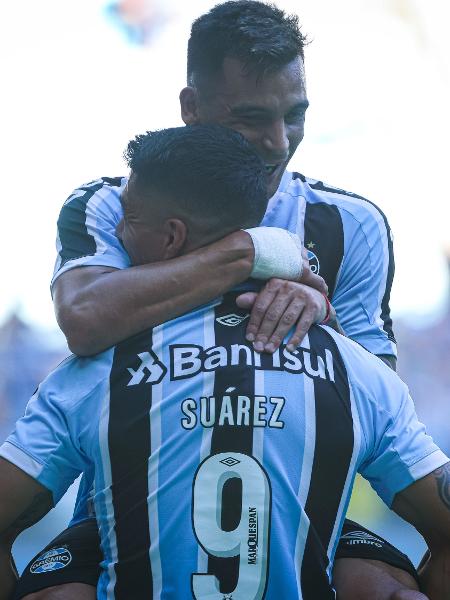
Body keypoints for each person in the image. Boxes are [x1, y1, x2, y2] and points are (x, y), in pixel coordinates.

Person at [27, 1, 405, 598]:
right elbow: (85, 318)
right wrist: (252, 256)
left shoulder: (348, 224)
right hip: (127, 495)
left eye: (295, 115)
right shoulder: (114, 205)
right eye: (251, 118)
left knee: (388, 589)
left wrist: (320, 318)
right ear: (191, 109)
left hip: (297, 503)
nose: (279, 143)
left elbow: (380, 397)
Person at [0, 125, 446, 600]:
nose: (116, 229)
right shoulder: (358, 372)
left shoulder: (91, 374)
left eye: (127, 217)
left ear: (172, 238)